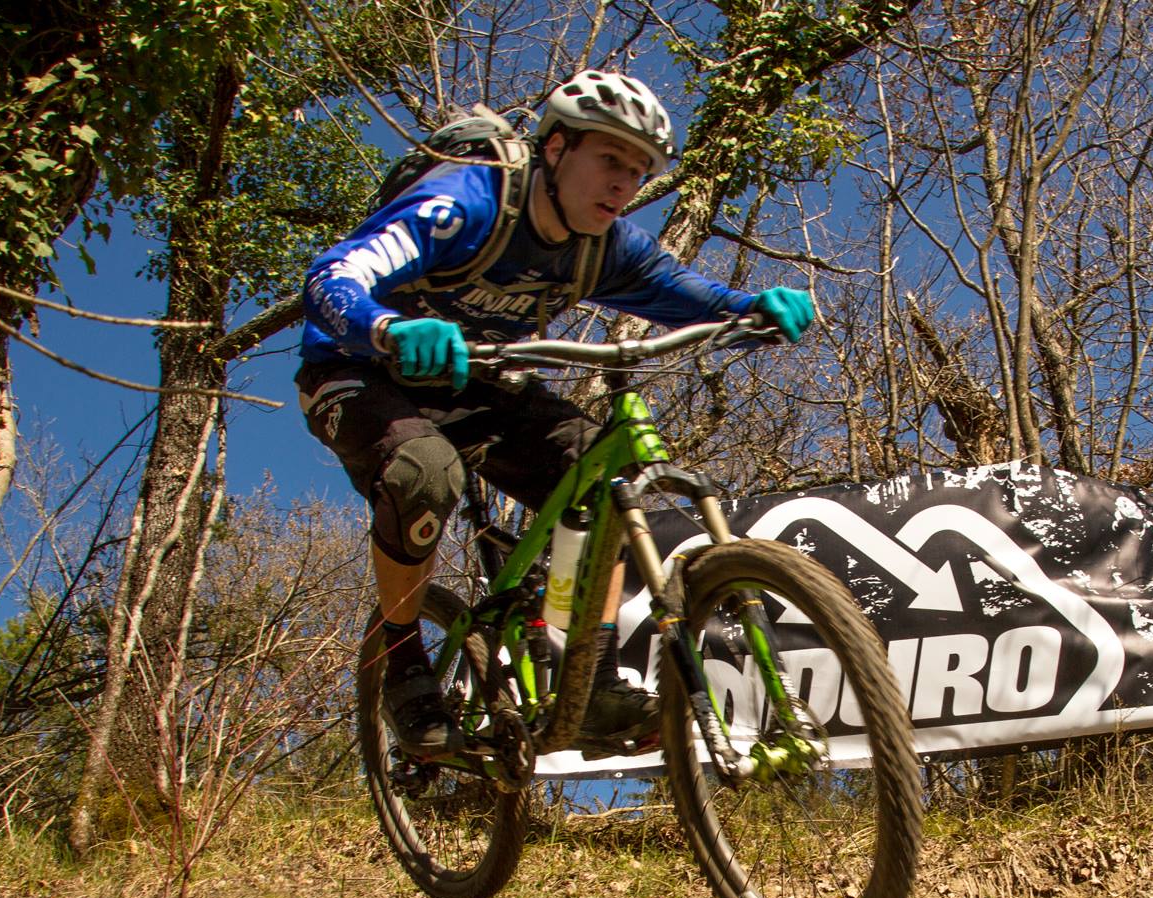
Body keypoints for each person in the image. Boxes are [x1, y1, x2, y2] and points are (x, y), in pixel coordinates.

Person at [296, 70, 815, 758]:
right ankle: (404, 664)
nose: (623, 185)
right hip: (357, 369)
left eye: (638, 171)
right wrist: (387, 328)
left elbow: (687, 293)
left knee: (609, 477)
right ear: (555, 149)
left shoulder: (606, 246)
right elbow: (333, 276)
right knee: (424, 475)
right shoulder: (463, 204)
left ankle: (591, 682)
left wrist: (751, 308)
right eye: (609, 160)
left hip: (475, 383)